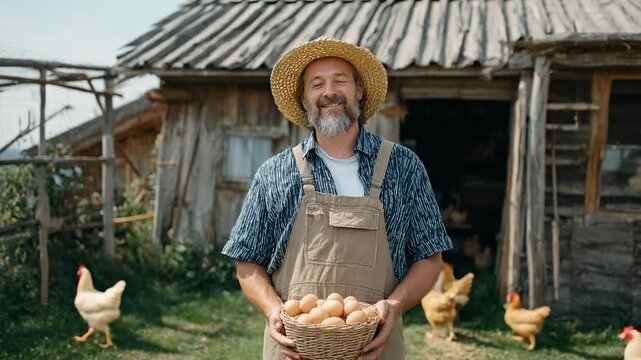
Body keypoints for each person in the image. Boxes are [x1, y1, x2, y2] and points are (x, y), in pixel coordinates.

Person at [222, 36, 452, 360]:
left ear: (359, 90)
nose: (329, 92)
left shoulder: (403, 167)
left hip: (375, 348)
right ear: (304, 99)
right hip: (293, 350)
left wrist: (394, 306)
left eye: (339, 81)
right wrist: (274, 309)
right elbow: (248, 262)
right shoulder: (275, 173)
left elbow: (430, 258)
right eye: (316, 84)